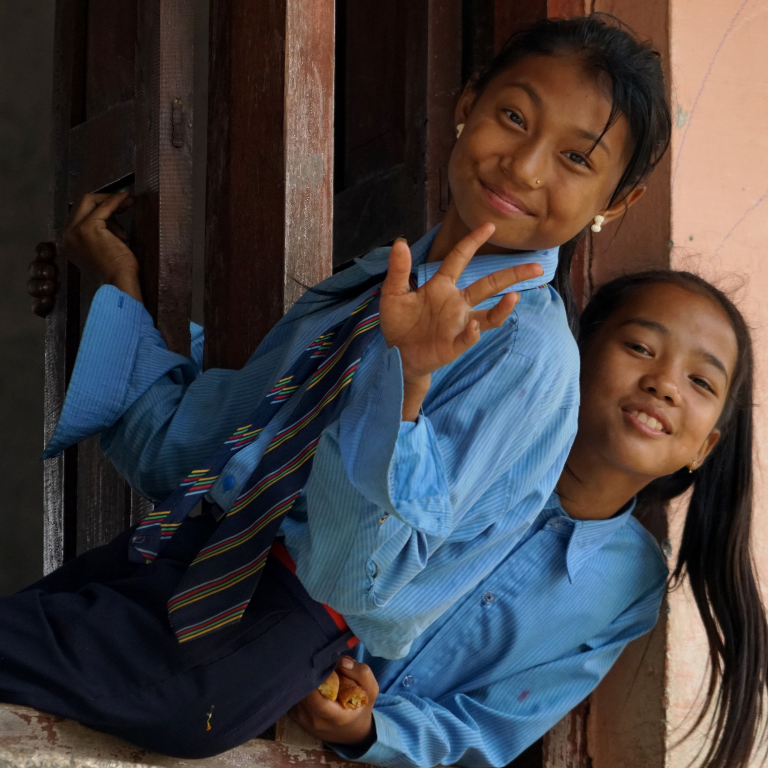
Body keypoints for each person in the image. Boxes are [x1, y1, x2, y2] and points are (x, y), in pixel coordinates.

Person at [6, 14, 669, 758]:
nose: (526, 166)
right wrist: (122, 289)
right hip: (162, 560)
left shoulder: (527, 358)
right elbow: (192, 449)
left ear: (620, 200)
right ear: (467, 103)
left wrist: (407, 383)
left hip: (249, 628)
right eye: (513, 116)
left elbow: (357, 583)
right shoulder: (365, 289)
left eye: (578, 159)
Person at [291, 270, 766, 768]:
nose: (664, 384)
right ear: (577, 354)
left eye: (700, 382)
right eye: (641, 348)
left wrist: (372, 729)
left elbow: (491, 727)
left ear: (704, 449)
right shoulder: (485, 432)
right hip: (267, 643)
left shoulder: (632, 585)